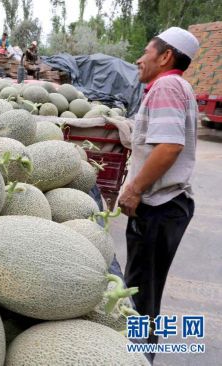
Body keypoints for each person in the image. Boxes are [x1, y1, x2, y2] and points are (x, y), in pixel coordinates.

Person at [118, 27, 199, 352]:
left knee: (140, 296)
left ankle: (138, 357)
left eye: (146, 52)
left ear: (165, 57)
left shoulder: (166, 85)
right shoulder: (175, 86)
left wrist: (135, 189)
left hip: (160, 207)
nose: (138, 59)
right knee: (143, 291)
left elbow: (169, 147)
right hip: (167, 207)